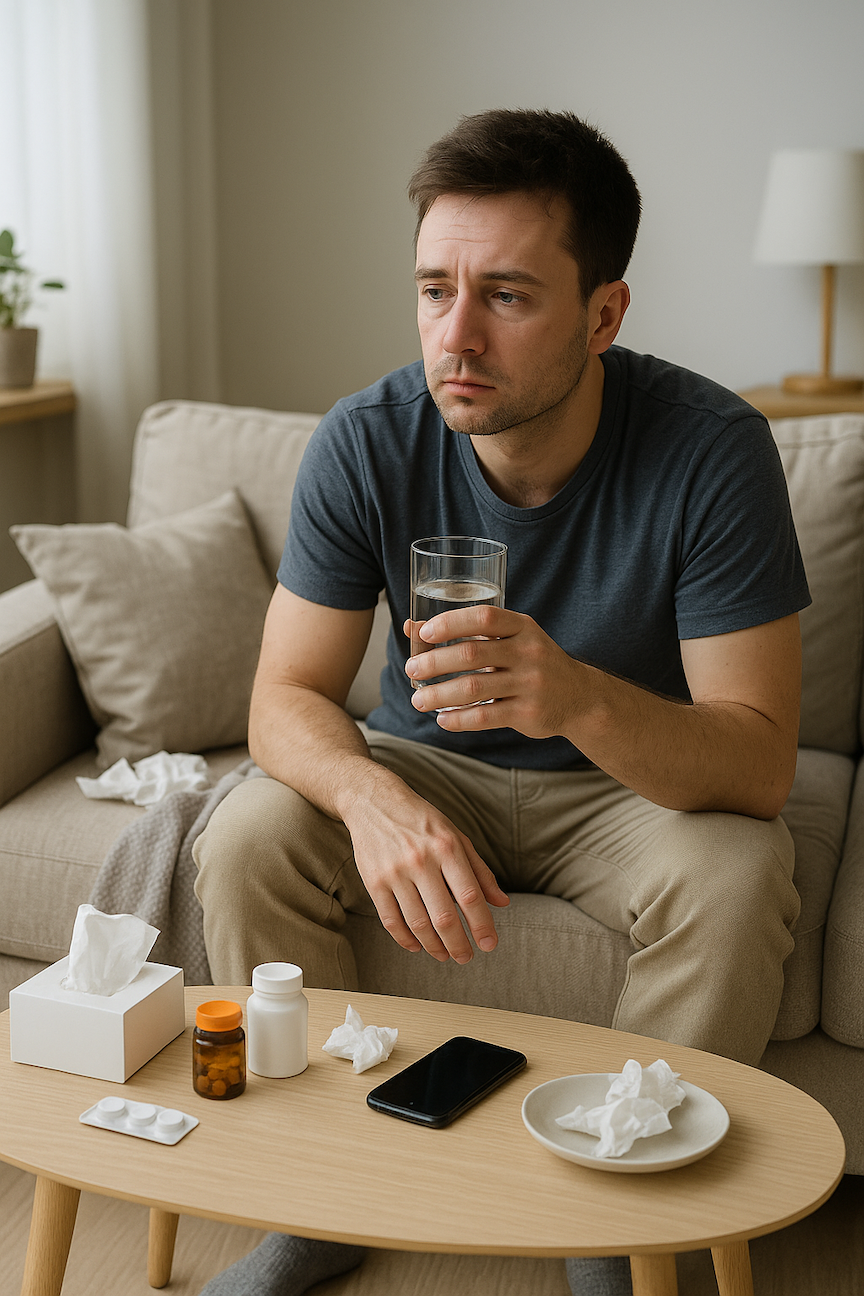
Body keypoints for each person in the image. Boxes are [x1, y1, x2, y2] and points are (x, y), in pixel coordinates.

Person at [194, 108, 808, 1296]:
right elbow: (282, 698)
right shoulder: (367, 440)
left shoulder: (712, 449)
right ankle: (324, 1199)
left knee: (737, 879)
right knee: (249, 838)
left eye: (508, 297)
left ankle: (616, 1230)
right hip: (430, 766)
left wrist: (573, 693)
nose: (454, 337)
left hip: (628, 785)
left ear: (604, 313)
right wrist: (369, 796)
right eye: (435, 290)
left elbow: (758, 763)